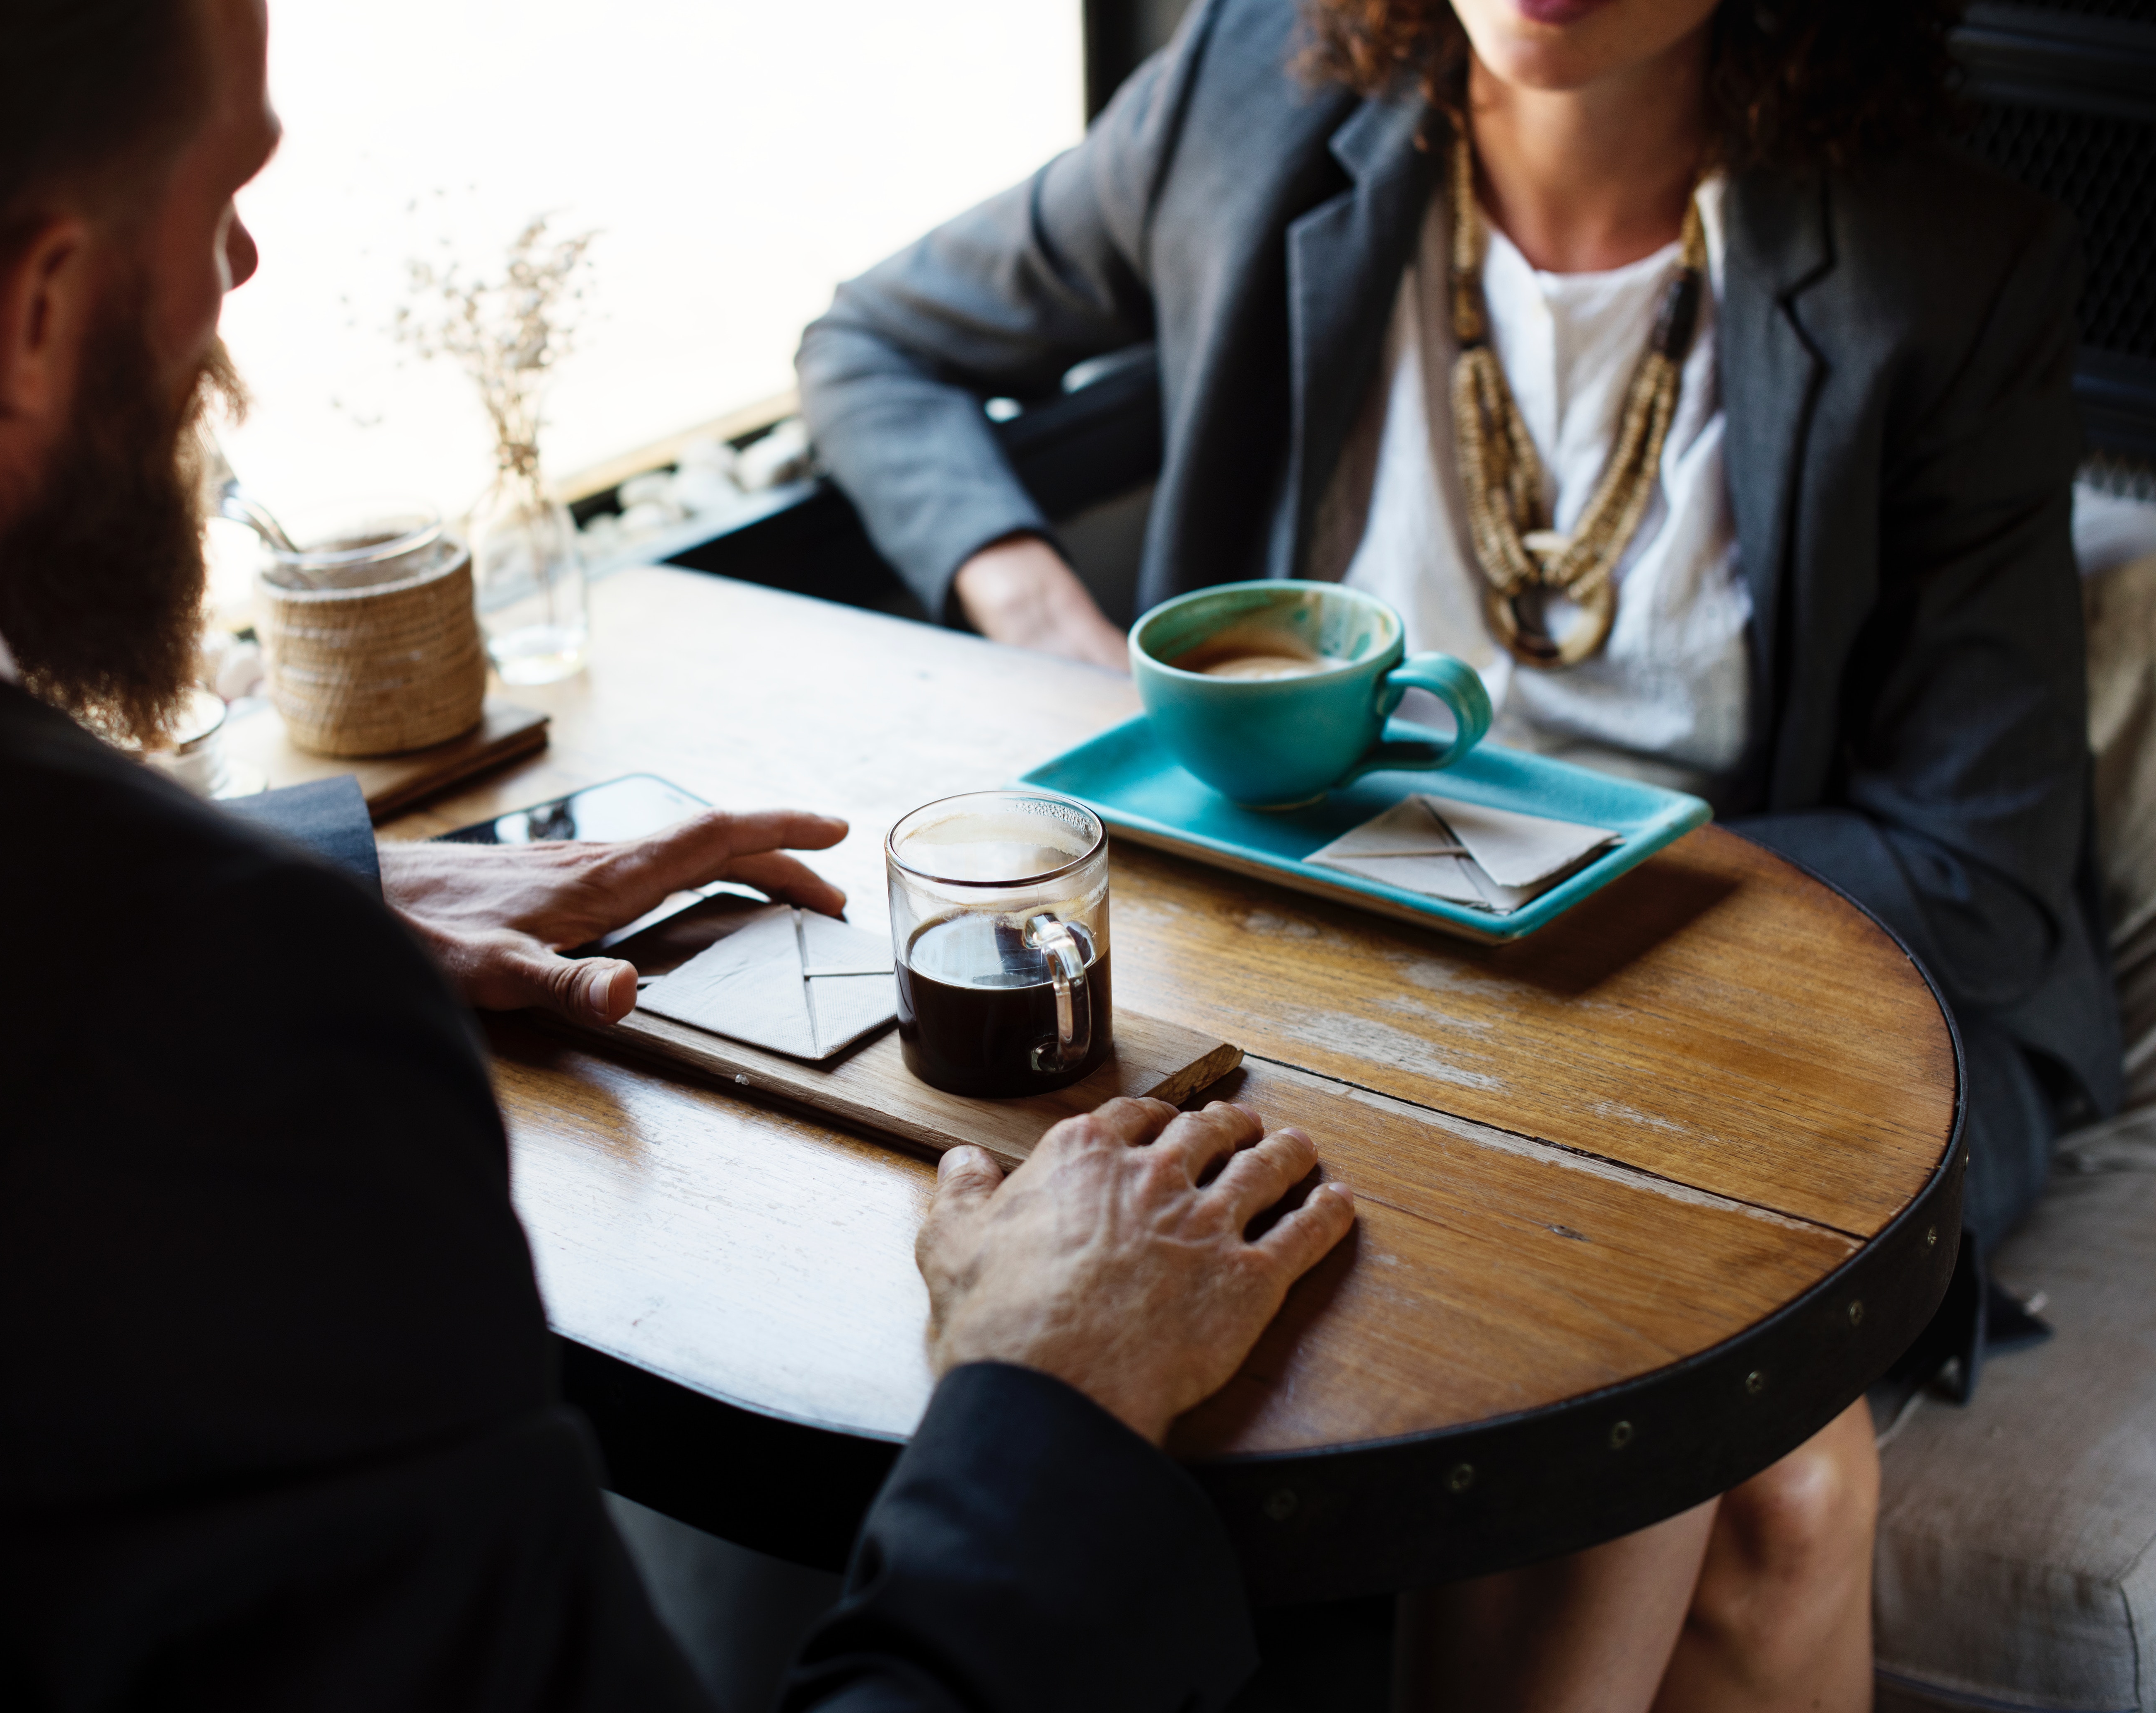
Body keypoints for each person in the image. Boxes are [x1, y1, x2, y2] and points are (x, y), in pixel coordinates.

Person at [0, 1, 1366, 1706]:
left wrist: (333, 876)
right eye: (221, 202)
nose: (239, 271)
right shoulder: (193, 1037)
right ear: (31, 311)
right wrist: (1048, 1402)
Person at [796, 0, 2130, 1708]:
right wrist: (1035, 606)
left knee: (1769, 1502)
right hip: (1354, 982)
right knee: (1778, 1491)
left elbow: (1977, 873)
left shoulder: (1951, 262)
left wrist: (1485, 890)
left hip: (1785, 1001)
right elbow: (870, 345)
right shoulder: (1235, 98)